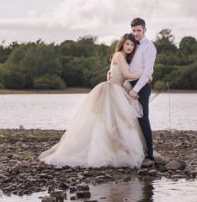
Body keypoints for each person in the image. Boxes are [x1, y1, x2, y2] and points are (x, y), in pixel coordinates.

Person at [39, 34, 146, 168]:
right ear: (122, 44)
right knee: (106, 122)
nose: (129, 47)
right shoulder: (119, 55)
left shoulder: (124, 57)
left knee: (117, 123)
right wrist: (145, 75)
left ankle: (118, 149)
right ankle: (105, 150)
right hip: (112, 90)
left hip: (118, 89)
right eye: (127, 44)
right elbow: (127, 75)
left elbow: (117, 74)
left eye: (132, 45)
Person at [127, 17, 157, 167]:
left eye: (139, 30)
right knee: (126, 118)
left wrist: (135, 89)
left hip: (142, 86)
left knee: (143, 119)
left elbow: (147, 71)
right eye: (134, 30)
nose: (136, 33)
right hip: (127, 85)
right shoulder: (129, 43)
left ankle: (150, 156)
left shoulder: (149, 47)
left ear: (145, 29)